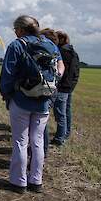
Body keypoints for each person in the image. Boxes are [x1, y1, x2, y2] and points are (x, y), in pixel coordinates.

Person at [0, 16, 64, 194]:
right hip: (44, 101)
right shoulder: (51, 45)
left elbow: (7, 73)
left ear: (20, 29)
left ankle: (18, 182)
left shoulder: (17, 45)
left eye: (15, 29)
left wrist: (7, 95)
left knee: (20, 141)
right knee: (37, 141)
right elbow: (60, 69)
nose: (15, 33)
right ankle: (36, 181)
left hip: (21, 99)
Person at [50, 31, 80, 146]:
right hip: (69, 87)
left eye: (56, 39)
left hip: (62, 87)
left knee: (60, 113)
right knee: (66, 111)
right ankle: (66, 133)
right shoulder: (73, 51)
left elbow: (63, 71)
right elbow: (76, 71)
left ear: (61, 40)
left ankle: (59, 138)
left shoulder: (62, 52)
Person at [40, 28, 60, 156]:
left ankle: (43, 151)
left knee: (41, 124)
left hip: (44, 89)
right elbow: (61, 69)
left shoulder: (47, 50)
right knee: (42, 122)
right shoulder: (55, 51)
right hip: (52, 89)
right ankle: (42, 151)